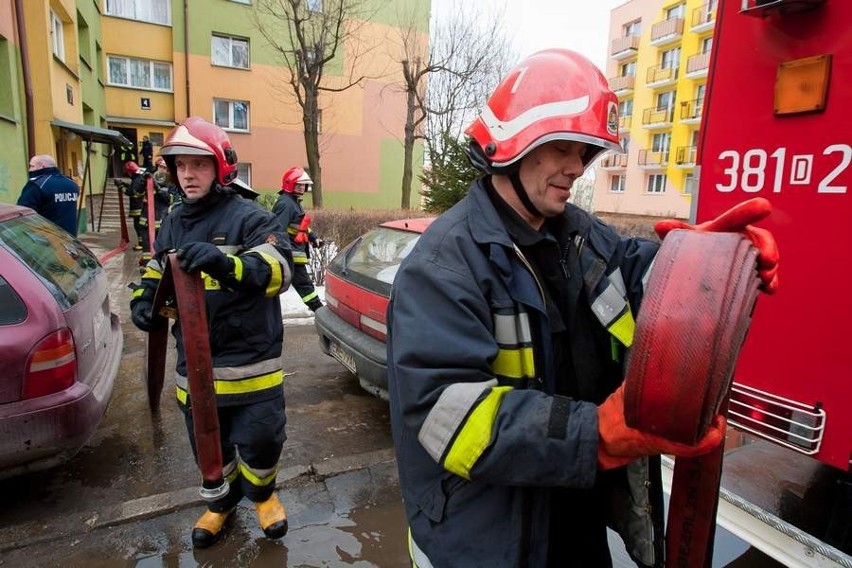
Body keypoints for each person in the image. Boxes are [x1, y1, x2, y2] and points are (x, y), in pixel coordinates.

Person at [386, 49, 779, 568]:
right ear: (517, 144)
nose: (577, 168)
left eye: (587, 152)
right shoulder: (443, 267)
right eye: (564, 148)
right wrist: (595, 434)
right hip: (488, 541)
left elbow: (639, 276)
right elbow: (448, 418)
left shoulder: (582, 238)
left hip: (576, 516)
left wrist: (698, 266)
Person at [128, 116, 294, 549]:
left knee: (261, 439)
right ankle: (221, 503)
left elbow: (280, 269)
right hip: (196, 370)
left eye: (198, 165)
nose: (187, 174)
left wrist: (228, 265)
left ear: (220, 167)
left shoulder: (251, 218)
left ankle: (262, 494)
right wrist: (145, 301)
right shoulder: (173, 222)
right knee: (208, 447)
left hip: (252, 365)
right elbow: (156, 268)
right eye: (180, 166)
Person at [272, 167, 324, 312]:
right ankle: (319, 310)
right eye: (299, 184)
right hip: (291, 254)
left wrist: (313, 238)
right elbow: (278, 230)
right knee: (304, 284)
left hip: (294, 252)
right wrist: (284, 253)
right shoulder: (286, 204)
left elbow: (300, 226)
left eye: (304, 185)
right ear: (290, 183)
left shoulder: (293, 202)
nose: (302, 187)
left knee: (300, 283)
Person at [17, 154, 80, 236]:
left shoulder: (38, 185)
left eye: (32, 166)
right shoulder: (71, 183)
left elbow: (23, 212)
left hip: (47, 239)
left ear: (42, 167)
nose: (29, 170)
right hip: (69, 237)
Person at [117, 161, 145, 251]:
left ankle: (141, 244)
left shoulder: (137, 180)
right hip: (139, 206)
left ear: (130, 171)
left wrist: (121, 186)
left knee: (138, 226)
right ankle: (142, 243)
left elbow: (130, 192)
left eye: (128, 172)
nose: (128, 174)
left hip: (138, 207)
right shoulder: (138, 178)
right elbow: (132, 187)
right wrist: (124, 183)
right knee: (139, 225)